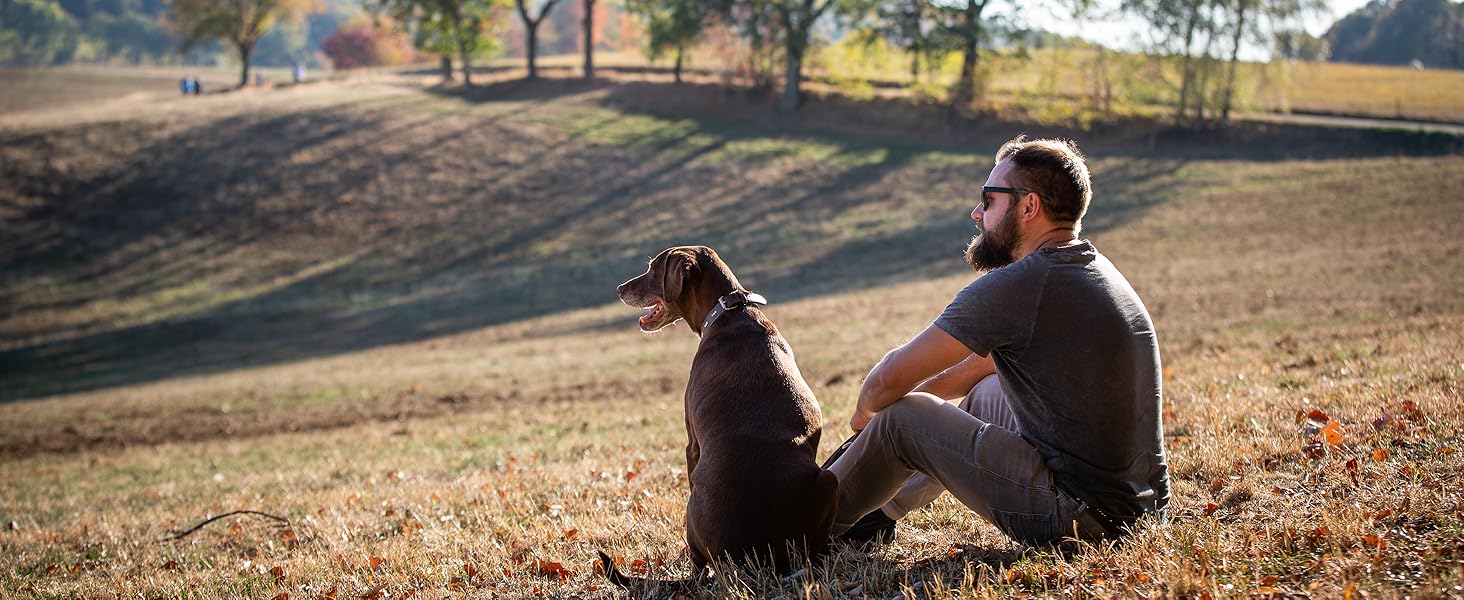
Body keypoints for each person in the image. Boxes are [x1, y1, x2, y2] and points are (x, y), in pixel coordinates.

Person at [826, 135, 1170, 547]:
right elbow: (983, 366)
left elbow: (885, 382)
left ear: (1029, 206)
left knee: (905, 418)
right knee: (987, 393)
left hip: (1082, 518)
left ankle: (801, 525)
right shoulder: (1088, 267)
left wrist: (871, 418)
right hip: (1139, 511)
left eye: (988, 200)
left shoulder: (1023, 284)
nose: (976, 212)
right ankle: (877, 514)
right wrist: (918, 397)